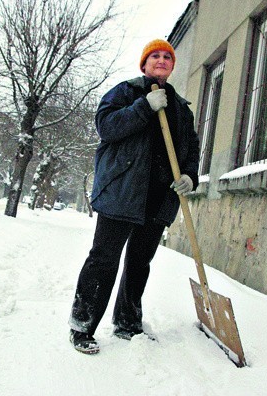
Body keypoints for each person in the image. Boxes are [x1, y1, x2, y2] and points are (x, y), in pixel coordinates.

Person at [68, 39, 200, 354]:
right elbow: (106, 127)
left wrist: (189, 177)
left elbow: (191, 149)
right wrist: (144, 106)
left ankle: (128, 323)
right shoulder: (125, 92)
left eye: (167, 56)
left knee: (140, 262)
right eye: (155, 55)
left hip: (158, 197)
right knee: (103, 259)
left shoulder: (181, 107)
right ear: (144, 63)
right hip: (123, 192)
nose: (162, 60)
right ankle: (82, 326)